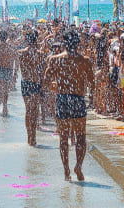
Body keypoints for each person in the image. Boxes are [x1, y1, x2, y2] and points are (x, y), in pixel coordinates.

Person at [44, 28, 91, 181]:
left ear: (64, 43)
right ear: (77, 43)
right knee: (81, 136)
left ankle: (66, 171)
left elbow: (46, 81)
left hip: (62, 99)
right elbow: (92, 82)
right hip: (77, 99)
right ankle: (78, 165)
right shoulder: (84, 61)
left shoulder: (55, 59)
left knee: (63, 138)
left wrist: (54, 85)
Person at [17, 30, 42, 146]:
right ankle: (34, 137)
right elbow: (41, 69)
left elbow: (20, 67)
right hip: (35, 83)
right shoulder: (39, 53)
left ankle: (29, 137)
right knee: (35, 110)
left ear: (27, 41)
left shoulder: (21, 53)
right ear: (35, 41)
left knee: (28, 110)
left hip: (25, 82)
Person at [0, 31, 16, 117]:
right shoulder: (10, 49)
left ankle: (0, 104)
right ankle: (5, 107)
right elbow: (13, 60)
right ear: (6, 37)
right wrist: (14, 73)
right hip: (8, 69)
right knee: (6, 89)